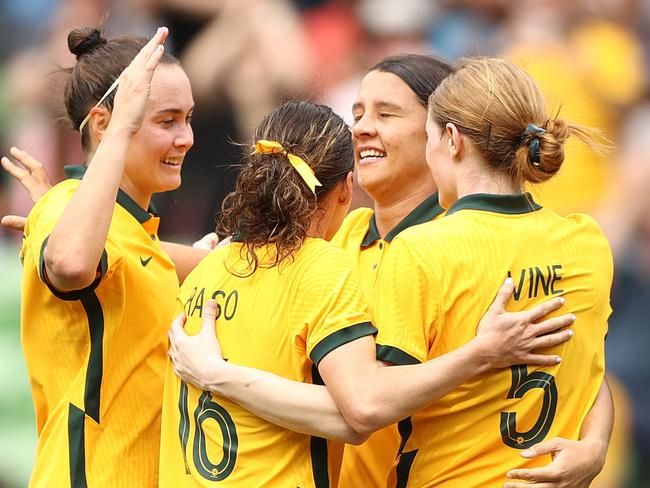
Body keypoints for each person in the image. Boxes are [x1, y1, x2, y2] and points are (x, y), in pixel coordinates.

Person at [168, 56, 613, 488]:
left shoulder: (426, 249)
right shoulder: (328, 240)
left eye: (387, 112)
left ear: (442, 136)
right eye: (357, 112)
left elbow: (365, 404)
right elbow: (184, 263)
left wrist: (595, 443)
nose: (360, 126)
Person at [17, 25, 200, 486]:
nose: (187, 138)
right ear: (102, 124)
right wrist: (121, 129)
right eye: (166, 120)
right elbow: (71, 264)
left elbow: (213, 262)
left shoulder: (137, 235)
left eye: (189, 118)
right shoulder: (62, 205)